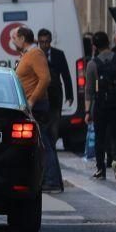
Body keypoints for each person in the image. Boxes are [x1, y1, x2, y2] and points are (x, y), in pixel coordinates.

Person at [11, 26, 61, 192]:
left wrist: (32, 101)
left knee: (44, 142)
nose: (13, 41)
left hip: (37, 106)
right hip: (31, 105)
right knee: (43, 143)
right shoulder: (28, 54)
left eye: (15, 38)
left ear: (23, 38)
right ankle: (52, 179)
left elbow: (45, 79)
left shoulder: (35, 54)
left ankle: (52, 181)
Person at [85, 31, 116, 180]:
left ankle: (101, 168)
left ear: (94, 46)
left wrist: (87, 112)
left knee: (100, 137)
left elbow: (89, 90)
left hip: (100, 105)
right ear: (109, 42)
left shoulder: (92, 64)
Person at [37, 28, 74, 161]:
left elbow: (66, 74)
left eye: (47, 42)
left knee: (54, 125)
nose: (44, 45)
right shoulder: (35, 55)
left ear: (50, 41)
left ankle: (51, 152)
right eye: (42, 42)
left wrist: (70, 94)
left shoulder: (58, 54)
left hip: (55, 96)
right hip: (40, 96)